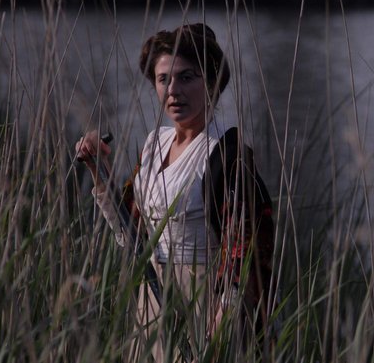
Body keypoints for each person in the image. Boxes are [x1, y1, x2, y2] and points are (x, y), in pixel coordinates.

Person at [76, 23, 275, 362]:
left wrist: (220, 325)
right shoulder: (155, 144)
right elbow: (131, 233)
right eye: (163, 79)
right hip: (152, 296)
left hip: (204, 301)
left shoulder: (226, 154)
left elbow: (246, 249)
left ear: (211, 82)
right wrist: (97, 167)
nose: (173, 91)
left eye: (186, 78)